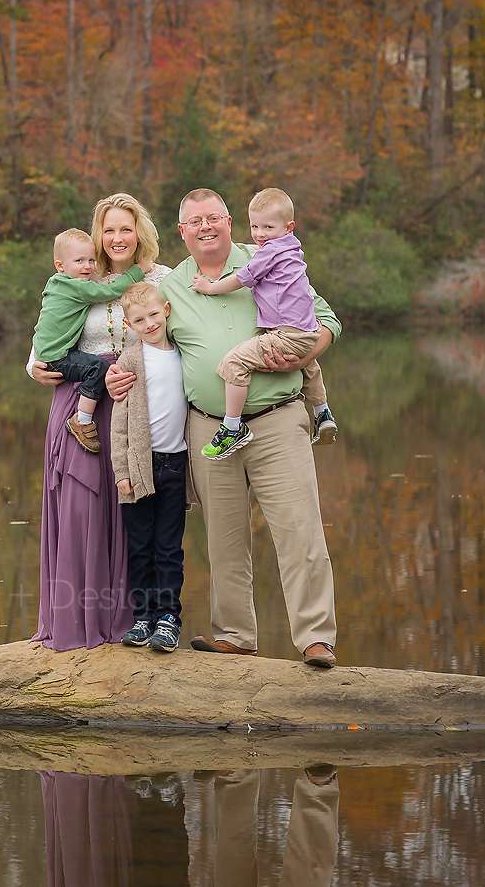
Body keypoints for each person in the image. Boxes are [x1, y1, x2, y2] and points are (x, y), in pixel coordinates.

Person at [151, 188, 342, 668]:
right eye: (194, 221)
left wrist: (307, 352)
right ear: (182, 231)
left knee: (300, 532)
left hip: (276, 420)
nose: (205, 227)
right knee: (224, 539)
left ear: (231, 221)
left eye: (213, 217)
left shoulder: (267, 257)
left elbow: (326, 320)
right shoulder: (171, 286)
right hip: (207, 428)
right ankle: (235, 635)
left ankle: (316, 638)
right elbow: (144, 342)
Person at [27, 193, 167, 651]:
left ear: (140, 232)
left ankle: (135, 619)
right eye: (108, 230)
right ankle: (76, 621)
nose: (117, 238)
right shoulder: (78, 275)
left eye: (125, 228)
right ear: (97, 235)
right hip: (80, 410)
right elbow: (45, 339)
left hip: (136, 410)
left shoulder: (162, 279)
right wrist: (31, 365)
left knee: (133, 514)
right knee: (83, 509)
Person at [189, 187, 337, 458]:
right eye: (255, 226)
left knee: (233, 362)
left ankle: (232, 428)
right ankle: (322, 412)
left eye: (268, 226)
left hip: (287, 335)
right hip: (305, 331)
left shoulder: (265, 253)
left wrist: (210, 287)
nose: (259, 234)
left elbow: (242, 279)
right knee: (310, 366)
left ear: (289, 226)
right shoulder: (292, 248)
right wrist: (305, 358)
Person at [108, 282, 195, 652]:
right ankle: (143, 617)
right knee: (141, 547)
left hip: (175, 463)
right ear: (128, 325)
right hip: (139, 467)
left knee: (170, 547)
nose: (149, 323)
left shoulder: (183, 354)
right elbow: (120, 419)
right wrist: (121, 471)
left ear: (168, 311)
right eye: (139, 319)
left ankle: (168, 618)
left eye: (154, 315)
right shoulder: (130, 360)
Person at [32, 228, 148, 454]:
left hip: (51, 352)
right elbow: (112, 290)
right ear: (60, 266)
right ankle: (82, 420)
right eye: (79, 261)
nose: (87, 266)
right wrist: (137, 272)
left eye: (91, 260)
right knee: (97, 368)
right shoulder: (77, 286)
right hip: (59, 357)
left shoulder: (56, 284)